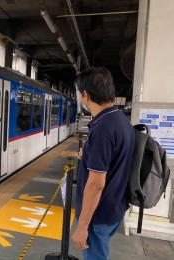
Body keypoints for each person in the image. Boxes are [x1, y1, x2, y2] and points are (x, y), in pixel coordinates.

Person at [71, 67, 135, 260]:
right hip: (114, 207)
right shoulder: (120, 121)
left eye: (79, 93)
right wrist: (89, 154)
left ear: (85, 95)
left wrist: (82, 227)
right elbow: (115, 159)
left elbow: (96, 184)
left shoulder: (103, 129)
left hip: (98, 214)